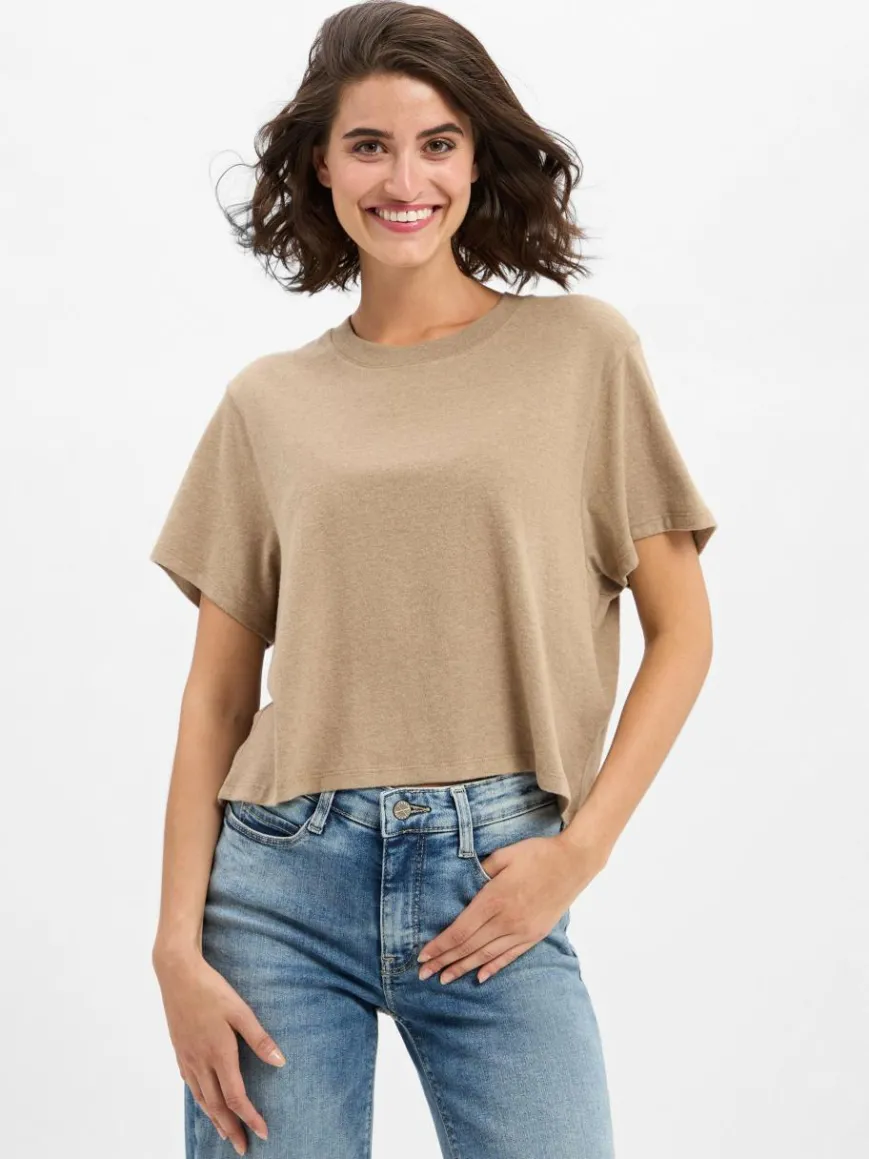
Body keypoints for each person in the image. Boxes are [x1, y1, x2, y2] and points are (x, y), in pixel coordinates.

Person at [149, 3, 718, 1156]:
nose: (404, 179)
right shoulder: (267, 401)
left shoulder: (582, 352)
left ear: (473, 157)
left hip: (495, 873)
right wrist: (174, 948)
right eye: (369, 145)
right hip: (278, 883)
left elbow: (683, 633)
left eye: (437, 144)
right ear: (322, 163)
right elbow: (216, 694)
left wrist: (578, 852)